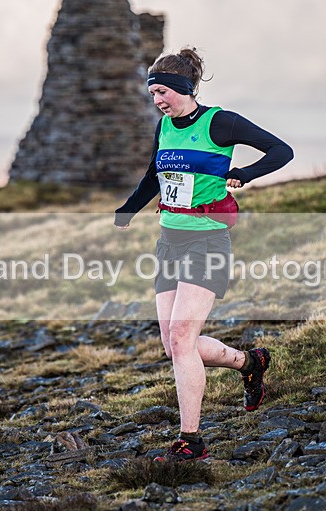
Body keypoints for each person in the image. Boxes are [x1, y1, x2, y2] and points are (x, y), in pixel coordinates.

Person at [114, 47, 293, 462]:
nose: (157, 101)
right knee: (176, 344)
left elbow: (281, 150)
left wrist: (244, 174)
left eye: (162, 92)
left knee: (181, 338)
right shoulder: (165, 127)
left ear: (184, 88)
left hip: (208, 241)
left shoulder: (221, 122)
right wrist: (128, 210)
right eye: (153, 94)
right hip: (169, 243)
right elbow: (152, 177)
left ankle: (191, 441)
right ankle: (250, 362)